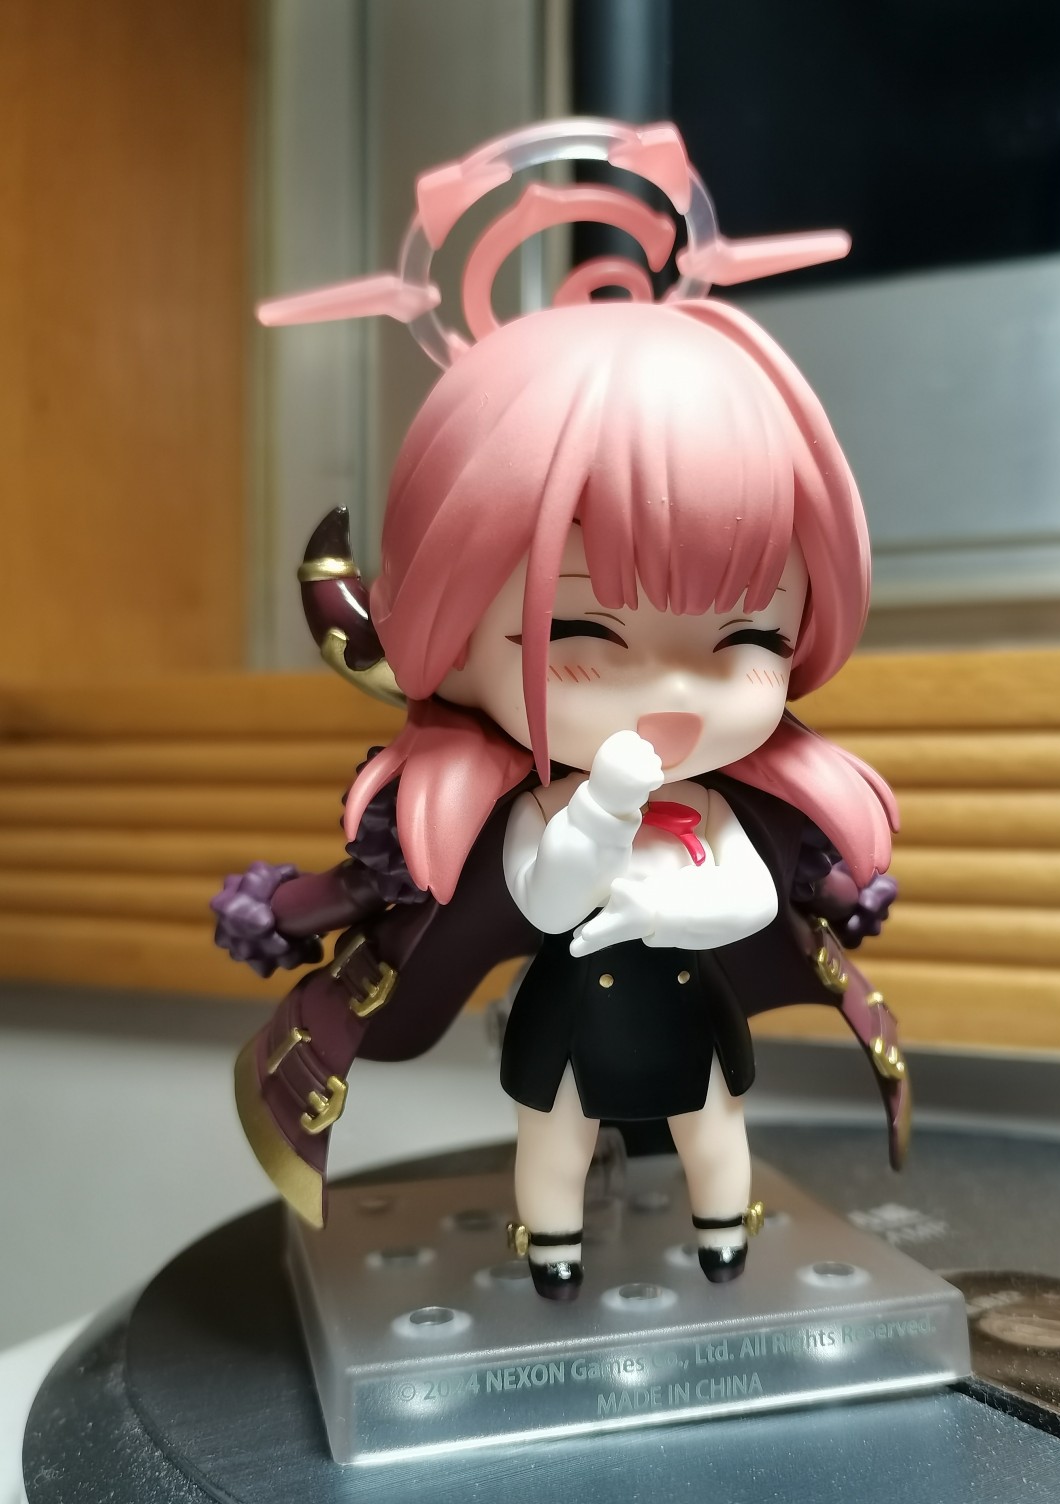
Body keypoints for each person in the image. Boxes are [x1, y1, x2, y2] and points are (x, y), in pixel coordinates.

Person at [214, 121, 906, 1302]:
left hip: (683, 999)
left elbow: (748, 895)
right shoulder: (549, 800)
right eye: (585, 636)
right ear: (447, 633)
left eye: (747, 640)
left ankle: (722, 1233)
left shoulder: (719, 812)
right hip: (573, 1007)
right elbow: (541, 891)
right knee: (556, 1133)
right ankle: (554, 1249)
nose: (676, 692)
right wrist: (604, 815)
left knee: (714, 1123)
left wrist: (669, 900)